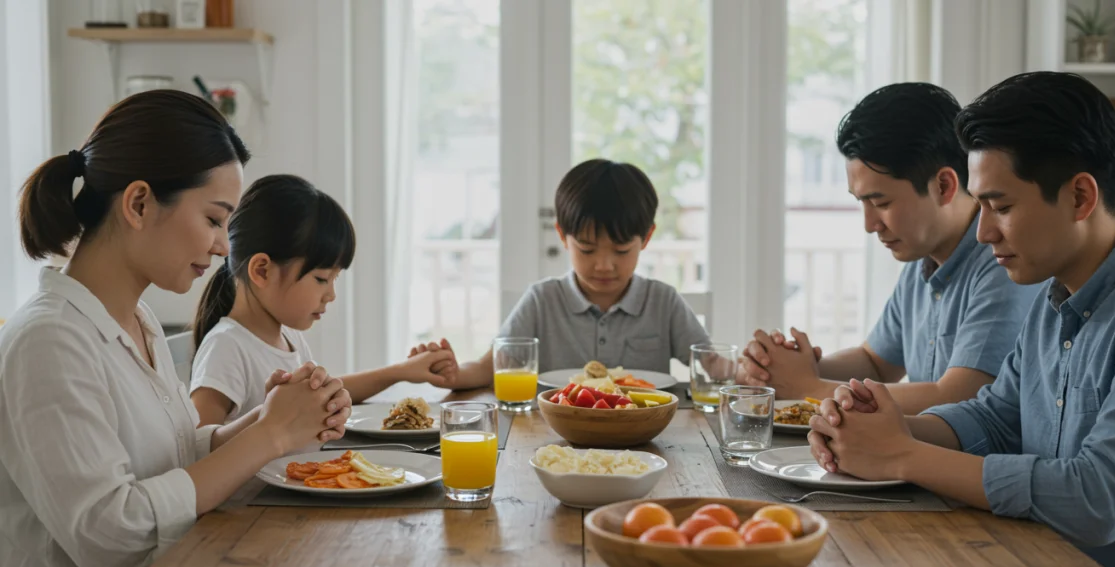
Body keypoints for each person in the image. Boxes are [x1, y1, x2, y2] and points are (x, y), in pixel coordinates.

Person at [807, 72, 1115, 567]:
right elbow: (994, 416)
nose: (985, 232)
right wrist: (880, 424)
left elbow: (1101, 498)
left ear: (1080, 196)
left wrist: (902, 456)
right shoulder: (1053, 293)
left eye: (1000, 206)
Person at [0, 90, 353, 567]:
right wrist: (268, 435)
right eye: (214, 220)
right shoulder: (48, 343)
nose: (220, 247)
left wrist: (267, 420)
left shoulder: (137, 322)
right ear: (139, 204)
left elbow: (176, 460)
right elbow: (111, 535)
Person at [739, 83, 1039, 414]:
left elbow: (959, 397)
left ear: (944, 185)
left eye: (880, 202)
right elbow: (875, 362)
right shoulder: (923, 259)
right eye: (861, 203)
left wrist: (807, 387)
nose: (870, 224)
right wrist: (784, 368)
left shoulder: (1003, 263)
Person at [410, 159, 710, 387]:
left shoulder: (662, 301)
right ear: (562, 236)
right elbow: (489, 368)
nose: (604, 265)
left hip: (647, 436)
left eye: (620, 251)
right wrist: (453, 373)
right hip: (552, 438)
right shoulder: (543, 300)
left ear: (646, 238)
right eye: (587, 249)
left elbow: (713, 366)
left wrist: (748, 369)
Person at [188, 174, 454, 426]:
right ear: (262, 271)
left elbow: (323, 394)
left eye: (334, 279)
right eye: (321, 279)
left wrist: (402, 371)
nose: (331, 295)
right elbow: (200, 449)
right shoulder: (227, 346)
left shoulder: (288, 339)